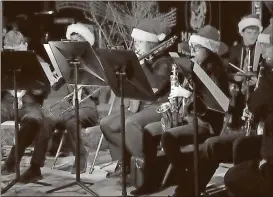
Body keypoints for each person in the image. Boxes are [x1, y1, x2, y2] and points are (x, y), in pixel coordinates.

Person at [100, 18, 175, 183]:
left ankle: (143, 166)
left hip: (158, 106)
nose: (136, 44)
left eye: (140, 41)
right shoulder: (144, 60)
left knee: (131, 123)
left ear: (151, 42)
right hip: (141, 106)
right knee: (107, 123)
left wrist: (141, 65)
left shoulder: (164, 62)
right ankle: (124, 163)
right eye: (136, 41)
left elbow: (155, 87)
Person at [161, 25, 230, 196]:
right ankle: (188, 171)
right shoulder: (196, 67)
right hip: (193, 118)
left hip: (208, 123)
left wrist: (188, 94)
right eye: (192, 48)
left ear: (209, 50)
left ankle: (187, 174)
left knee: (168, 138)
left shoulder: (214, 70)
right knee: (168, 137)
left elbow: (215, 104)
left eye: (197, 48)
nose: (193, 52)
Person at [224, 17, 273, 197]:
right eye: (249, 32)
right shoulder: (236, 50)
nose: (265, 50)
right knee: (242, 145)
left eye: (268, 46)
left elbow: (257, 103)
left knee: (233, 175)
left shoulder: (267, 68)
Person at [46, 22, 103, 174]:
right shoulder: (67, 63)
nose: (72, 46)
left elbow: (96, 94)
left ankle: (81, 156)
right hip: (69, 105)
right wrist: (56, 76)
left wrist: (82, 73)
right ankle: (35, 164)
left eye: (76, 43)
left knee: (72, 119)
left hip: (88, 107)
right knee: (47, 118)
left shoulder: (94, 63)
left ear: (85, 44)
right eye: (71, 43)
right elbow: (56, 87)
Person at [1, 29, 51, 183]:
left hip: (29, 102)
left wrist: (37, 87)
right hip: (7, 101)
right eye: (10, 51)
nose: (14, 55)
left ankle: (21, 165)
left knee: (37, 120)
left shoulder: (37, 60)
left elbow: (45, 89)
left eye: (17, 51)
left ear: (25, 45)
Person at [227, 14, 263, 129]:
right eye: (249, 33)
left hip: (255, 92)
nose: (253, 36)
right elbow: (226, 73)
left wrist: (257, 81)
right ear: (241, 33)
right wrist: (234, 77)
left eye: (255, 33)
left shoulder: (262, 52)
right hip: (237, 93)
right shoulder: (233, 51)